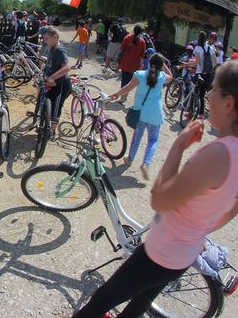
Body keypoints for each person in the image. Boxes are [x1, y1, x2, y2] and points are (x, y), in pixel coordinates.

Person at [72, 60, 238, 318]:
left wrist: (178, 146)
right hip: (184, 254)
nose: (208, 95)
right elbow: (232, 209)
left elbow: (159, 199)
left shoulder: (217, 154)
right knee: (141, 301)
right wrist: (198, 229)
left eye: (214, 89)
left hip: (162, 251)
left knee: (102, 300)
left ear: (228, 103)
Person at [111, 53, 173, 179]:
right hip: (155, 113)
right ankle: (146, 163)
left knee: (137, 137)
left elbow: (127, 88)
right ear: (161, 66)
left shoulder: (139, 74)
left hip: (140, 112)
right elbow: (171, 77)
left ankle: (130, 159)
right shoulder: (162, 76)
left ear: (149, 63)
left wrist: (117, 94)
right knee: (153, 140)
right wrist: (163, 65)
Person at [43, 27, 72, 136]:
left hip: (61, 84)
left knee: (56, 108)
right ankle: (46, 125)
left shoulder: (59, 49)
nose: (44, 41)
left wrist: (52, 77)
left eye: (47, 38)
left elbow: (67, 67)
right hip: (52, 84)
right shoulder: (52, 48)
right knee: (48, 105)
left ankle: (52, 132)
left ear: (55, 37)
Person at [118, 24, 147, 99]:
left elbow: (121, 49)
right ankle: (125, 95)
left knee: (124, 79)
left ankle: (123, 96)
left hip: (125, 62)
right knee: (129, 80)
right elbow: (142, 55)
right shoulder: (142, 41)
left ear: (134, 30)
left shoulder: (127, 37)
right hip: (135, 65)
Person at [192, 31, 216, 119]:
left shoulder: (198, 47)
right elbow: (215, 62)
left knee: (194, 92)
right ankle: (201, 115)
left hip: (199, 74)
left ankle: (190, 111)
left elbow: (197, 62)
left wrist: (187, 64)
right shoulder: (210, 48)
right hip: (208, 74)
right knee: (201, 95)